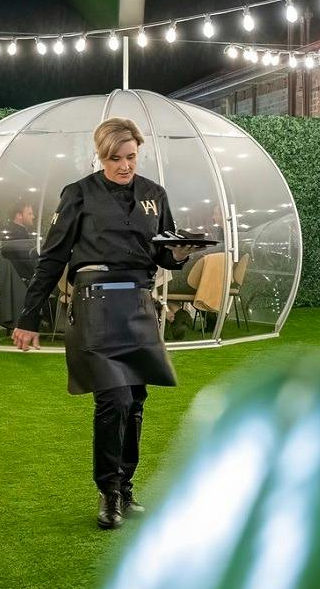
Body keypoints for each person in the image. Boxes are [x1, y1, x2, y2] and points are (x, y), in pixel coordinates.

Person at [11, 119, 192, 530]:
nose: (124, 166)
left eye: (131, 157)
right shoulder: (77, 194)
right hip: (95, 307)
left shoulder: (155, 195)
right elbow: (52, 258)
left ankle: (125, 488)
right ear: (100, 155)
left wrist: (180, 254)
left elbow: (163, 253)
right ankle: (108, 492)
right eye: (115, 158)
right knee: (115, 400)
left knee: (136, 400)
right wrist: (29, 317)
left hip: (139, 306)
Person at [0, 201, 41, 333]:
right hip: (20, 276)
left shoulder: (14, 231)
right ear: (19, 215)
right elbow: (27, 257)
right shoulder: (17, 233)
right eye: (29, 213)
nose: (33, 216)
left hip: (18, 275)